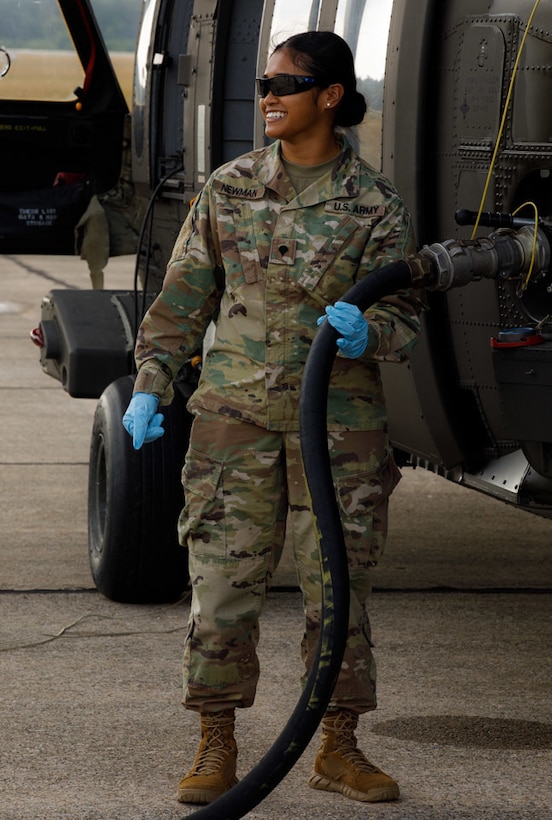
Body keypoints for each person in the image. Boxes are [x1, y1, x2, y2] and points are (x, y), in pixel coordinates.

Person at [123, 30, 424, 806]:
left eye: (285, 84)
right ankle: (216, 741)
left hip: (338, 430)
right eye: (264, 82)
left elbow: (407, 321)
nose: (267, 96)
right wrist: (153, 382)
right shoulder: (230, 187)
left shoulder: (374, 205)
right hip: (234, 421)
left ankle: (338, 747)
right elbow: (184, 296)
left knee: (339, 594)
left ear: (330, 96)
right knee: (221, 587)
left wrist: (372, 330)